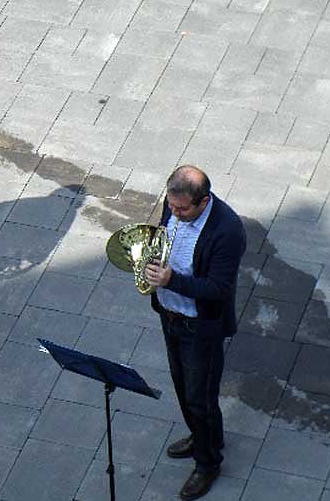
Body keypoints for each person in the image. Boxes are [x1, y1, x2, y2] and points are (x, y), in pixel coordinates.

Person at [144, 165, 246, 500]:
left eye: (182, 209)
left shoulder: (228, 230)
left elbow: (218, 289)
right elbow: (162, 236)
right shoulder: (174, 203)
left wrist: (170, 280)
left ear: (203, 201)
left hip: (200, 326)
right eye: (171, 206)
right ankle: (204, 436)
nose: (173, 213)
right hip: (170, 314)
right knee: (182, 385)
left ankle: (208, 463)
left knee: (199, 397)